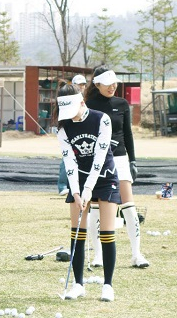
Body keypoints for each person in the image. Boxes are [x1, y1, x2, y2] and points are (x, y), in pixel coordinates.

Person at [55, 83, 121, 302]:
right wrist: (76, 192)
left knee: (107, 232)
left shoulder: (102, 119)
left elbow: (99, 159)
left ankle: (108, 285)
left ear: (81, 102)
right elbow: (69, 163)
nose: (69, 117)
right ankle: (78, 284)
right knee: (77, 233)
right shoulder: (63, 128)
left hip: (105, 177)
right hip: (79, 179)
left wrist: (88, 189)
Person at [84, 66, 150, 269]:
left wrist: (133, 161)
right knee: (96, 209)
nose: (113, 86)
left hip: (120, 157)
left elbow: (128, 133)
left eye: (114, 83)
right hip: (97, 160)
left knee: (129, 207)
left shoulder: (121, 104)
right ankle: (98, 255)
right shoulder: (87, 104)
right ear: (97, 84)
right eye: (107, 83)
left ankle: (137, 254)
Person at [57, 74, 87, 196]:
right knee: (67, 159)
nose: (82, 87)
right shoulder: (67, 96)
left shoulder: (85, 99)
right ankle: (62, 185)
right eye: (79, 84)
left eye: (83, 84)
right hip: (70, 130)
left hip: (83, 131)